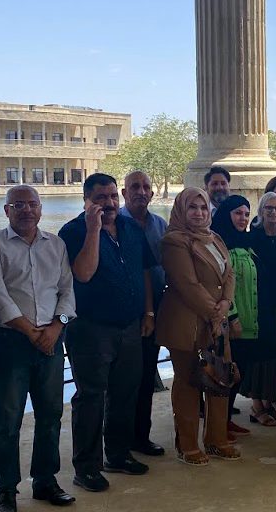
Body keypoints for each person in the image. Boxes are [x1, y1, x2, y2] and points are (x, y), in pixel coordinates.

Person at [0, 184, 77, 512]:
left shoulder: (56, 244)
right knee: (8, 420)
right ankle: (7, 490)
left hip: (51, 338)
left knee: (50, 414)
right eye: (18, 205)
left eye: (32, 204)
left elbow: (67, 289)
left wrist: (56, 327)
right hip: (10, 342)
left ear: (40, 208)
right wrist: (29, 331)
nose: (26, 210)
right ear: (6, 210)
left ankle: (45, 481)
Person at [59, 173, 156, 493]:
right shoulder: (73, 231)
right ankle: (86, 467)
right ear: (86, 201)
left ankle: (117, 454)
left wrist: (148, 312)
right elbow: (83, 273)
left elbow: (144, 270)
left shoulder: (131, 228)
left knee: (125, 392)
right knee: (90, 397)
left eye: (113, 196)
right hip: (91, 328)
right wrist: (93, 229)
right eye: (100, 198)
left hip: (130, 325)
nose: (109, 203)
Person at [156, 187, 241, 465]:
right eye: (192, 207)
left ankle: (217, 440)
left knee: (219, 379)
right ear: (181, 210)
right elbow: (187, 285)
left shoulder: (214, 237)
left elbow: (229, 273)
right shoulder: (174, 241)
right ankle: (188, 444)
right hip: (187, 323)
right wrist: (215, 314)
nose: (199, 213)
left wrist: (226, 303)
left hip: (216, 322)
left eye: (203, 207)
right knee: (189, 383)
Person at [123, 170, 168, 458]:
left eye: (146, 187)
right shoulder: (115, 223)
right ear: (124, 193)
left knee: (147, 375)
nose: (141, 191)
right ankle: (119, 440)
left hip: (156, 310)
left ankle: (141, 436)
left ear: (152, 193)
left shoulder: (160, 225)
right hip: (126, 312)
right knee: (124, 381)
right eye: (135, 187)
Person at [209, 193, 257, 440]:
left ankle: (226, 419)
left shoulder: (247, 241)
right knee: (224, 373)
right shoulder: (218, 243)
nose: (243, 218)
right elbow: (221, 284)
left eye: (247, 214)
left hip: (250, 319)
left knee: (239, 372)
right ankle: (217, 424)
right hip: (231, 320)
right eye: (238, 213)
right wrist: (233, 316)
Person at [244, 192, 276, 426]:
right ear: (261, 210)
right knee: (259, 353)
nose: (274, 212)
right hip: (258, 305)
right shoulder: (252, 238)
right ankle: (257, 406)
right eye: (269, 208)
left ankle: (270, 401)